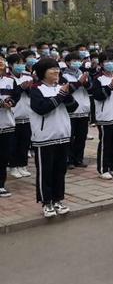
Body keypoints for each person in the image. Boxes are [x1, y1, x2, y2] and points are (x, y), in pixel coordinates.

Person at [29, 58, 78, 217]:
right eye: (51, 69)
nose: (56, 71)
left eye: (57, 68)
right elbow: (41, 108)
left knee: (60, 170)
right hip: (44, 137)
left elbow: (73, 107)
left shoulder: (60, 87)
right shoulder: (36, 89)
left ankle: (57, 200)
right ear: (42, 72)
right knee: (45, 171)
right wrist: (60, 95)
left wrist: (66, 94)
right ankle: (46, 202)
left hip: (62, 135)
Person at [91, 51, 113, 179]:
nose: (110, 63)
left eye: (112, 61)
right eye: (107, 61)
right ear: (101, 64)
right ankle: (103, 169)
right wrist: (109, 87)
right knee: (105, 143)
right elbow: (98, 96)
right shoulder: (98, 79)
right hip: (105, 116)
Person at [62, 52, 92, 168]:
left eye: (79, 60)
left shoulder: (83, 74)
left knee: (81, 136)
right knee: (70, 136)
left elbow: (92, 89)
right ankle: (69, 160)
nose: (77, 63)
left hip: (83, 110)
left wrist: (86, 83)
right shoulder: (64, 76)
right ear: (67, 62)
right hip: (71, 110)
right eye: (74, 61)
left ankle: (79, 159)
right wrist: (79, 83)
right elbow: (66, 91)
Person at [7, 53, 33, 178]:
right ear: (11, 65)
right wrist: (21, 87)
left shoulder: (28, 76)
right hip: (13, 116)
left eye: (22, 63)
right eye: (18, 63)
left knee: (24, 143)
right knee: (13, 143)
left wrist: (29, 88)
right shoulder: (7, 78)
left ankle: (22, 165)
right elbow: (11, 94)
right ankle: (13, 166)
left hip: (27, 115)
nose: (21, 66)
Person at [0, 56, 21, 197]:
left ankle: (1, 184)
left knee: (3, 156)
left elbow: (16, 96)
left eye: (2, 61)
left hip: (6, 124)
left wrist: (10, 101)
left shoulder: (10, 81)